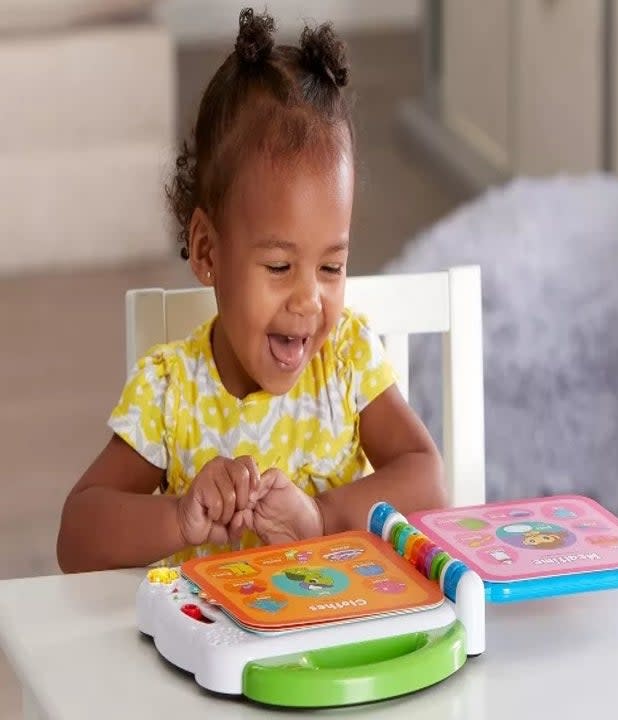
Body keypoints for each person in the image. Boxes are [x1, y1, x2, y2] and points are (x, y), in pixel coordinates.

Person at [56, 8, 446, 573]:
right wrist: (178, 516)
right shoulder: (172, 393)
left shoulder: (345, 363)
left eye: (331, 268)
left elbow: (429, 482)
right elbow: (77, 535)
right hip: (211, 657)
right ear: (209, 252)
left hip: (336, 642)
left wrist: (321, 516)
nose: (310, 300)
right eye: (281, 267)